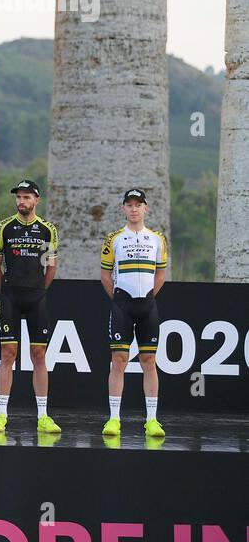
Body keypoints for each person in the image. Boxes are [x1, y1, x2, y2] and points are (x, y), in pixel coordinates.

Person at [0, 180, 60, 434]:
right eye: (19, 197)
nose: (22, 201)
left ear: (37, 200)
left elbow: (50, 267)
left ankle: (43, 416)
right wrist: (6, 290)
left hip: (36, 298)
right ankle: (1, 414)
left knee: (39, 356)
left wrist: (39, 289)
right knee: (8, 354)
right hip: (10, 297)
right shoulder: (4, 228)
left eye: (27, 197)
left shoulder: (46, 230)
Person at [100, 188, 169, 440]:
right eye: (129, 204)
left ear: (145, 208)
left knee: (149, 362)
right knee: (118, 360)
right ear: (123, 209)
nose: (133, 208)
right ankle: (114, 419)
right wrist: (118, 298)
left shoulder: (157, 239)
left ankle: (151, 420)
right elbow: (105, 274)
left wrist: (150, 295)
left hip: (147, 305)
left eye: (138, 204)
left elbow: (160, 273)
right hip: (122, 305)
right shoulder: (114, 238)